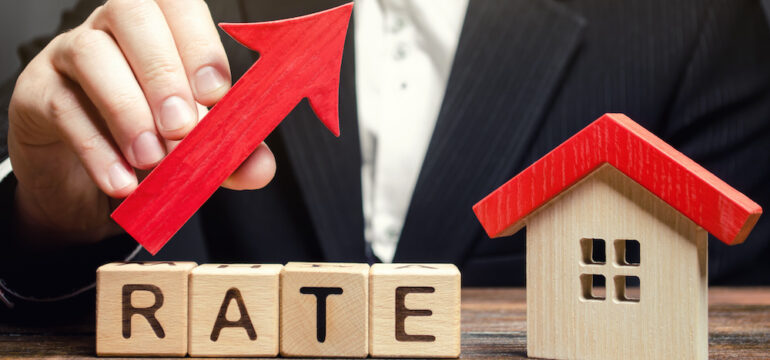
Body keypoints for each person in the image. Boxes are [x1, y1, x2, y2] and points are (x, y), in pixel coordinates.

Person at [1, 0, 770, 317]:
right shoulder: (171, 9)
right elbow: (54, 142)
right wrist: (41, 220)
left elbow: (735, 313)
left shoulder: (690, 25)